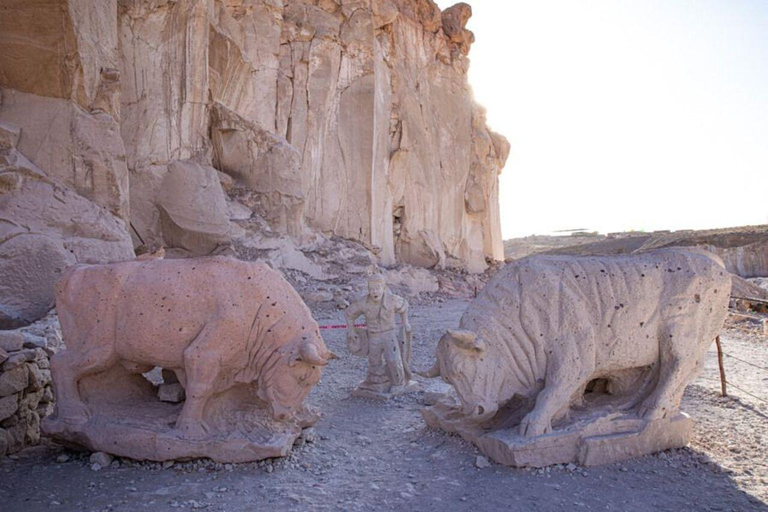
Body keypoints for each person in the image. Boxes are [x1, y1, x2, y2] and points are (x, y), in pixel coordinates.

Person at [345, 274, 412, 393]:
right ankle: (377, 382)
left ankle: (398, 383)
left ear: (383, 287)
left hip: (389, 334)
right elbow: (349, 314)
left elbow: (404, 305)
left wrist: (405, 322)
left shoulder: (392, 300)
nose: (374, 291)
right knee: (374, 359)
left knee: (393, 359)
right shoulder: (363, 302)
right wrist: (351, 330)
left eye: (377, 288)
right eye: (371, 288)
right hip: (373, 335)